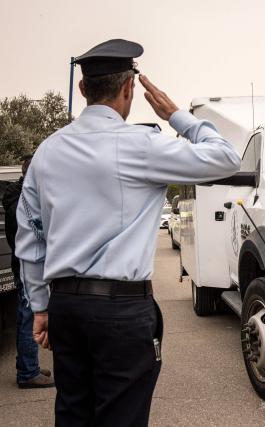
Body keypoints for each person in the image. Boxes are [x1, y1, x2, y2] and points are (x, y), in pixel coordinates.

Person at [15, 39, 241, 425]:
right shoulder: (142, 146)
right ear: (129, 88)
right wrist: (176, 116)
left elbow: (31, 236)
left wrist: (40, 306)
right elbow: (226, 158)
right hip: (120, 310)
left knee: (72, 413)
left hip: (66, 306)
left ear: (83, 89)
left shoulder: (47, 151)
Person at [1, 155, 55, 389]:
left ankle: (28, 365)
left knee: (27, 316)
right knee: (29, 317)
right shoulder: (24, 199)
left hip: (20, 263)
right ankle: (27, 372)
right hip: (26, 265)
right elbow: (30, 236)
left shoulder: (16, 195)